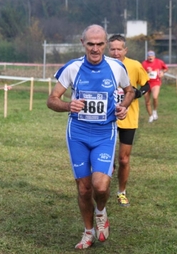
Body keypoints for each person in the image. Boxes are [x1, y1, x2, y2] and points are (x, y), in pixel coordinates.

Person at [46, 24, 135, 249]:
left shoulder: (116, 67)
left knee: (101, 187)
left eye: (100, 44)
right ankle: (88, 232)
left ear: (105, 44)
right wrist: (68, 105)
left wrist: (123, 106)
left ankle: (101, 212)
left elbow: (130, 90)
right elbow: (52, 99)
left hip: (105, 133)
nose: (95, 49)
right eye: (90, 44)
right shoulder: (72, 68)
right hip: (78, 134)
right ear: (82, 43)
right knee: (84, 188)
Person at [108, 34, 149, 207]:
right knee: (107, 160)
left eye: (119, 49)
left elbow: (146, 85)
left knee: (124, 159)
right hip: (107, 118)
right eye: (113, 49)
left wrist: (138, 93)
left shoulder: (134, 65)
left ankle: (121, 192)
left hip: (128, 118)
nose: (116, 52)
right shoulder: (103, 65)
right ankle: (102, 189)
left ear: (125, 50)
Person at [142, 50, 168, 122]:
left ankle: (154, 111)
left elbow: (165, 68)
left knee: (155, 97)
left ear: (154, 56)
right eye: (149, 56)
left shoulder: (159, 62)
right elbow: (140, 72)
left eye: (152, 56)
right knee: (147, 101)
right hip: (146, 83)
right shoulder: (144, 63)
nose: (150, 58)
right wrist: (147, 72)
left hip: (155, 82)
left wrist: (162, 72)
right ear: (147, 57)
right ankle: (150, 116)